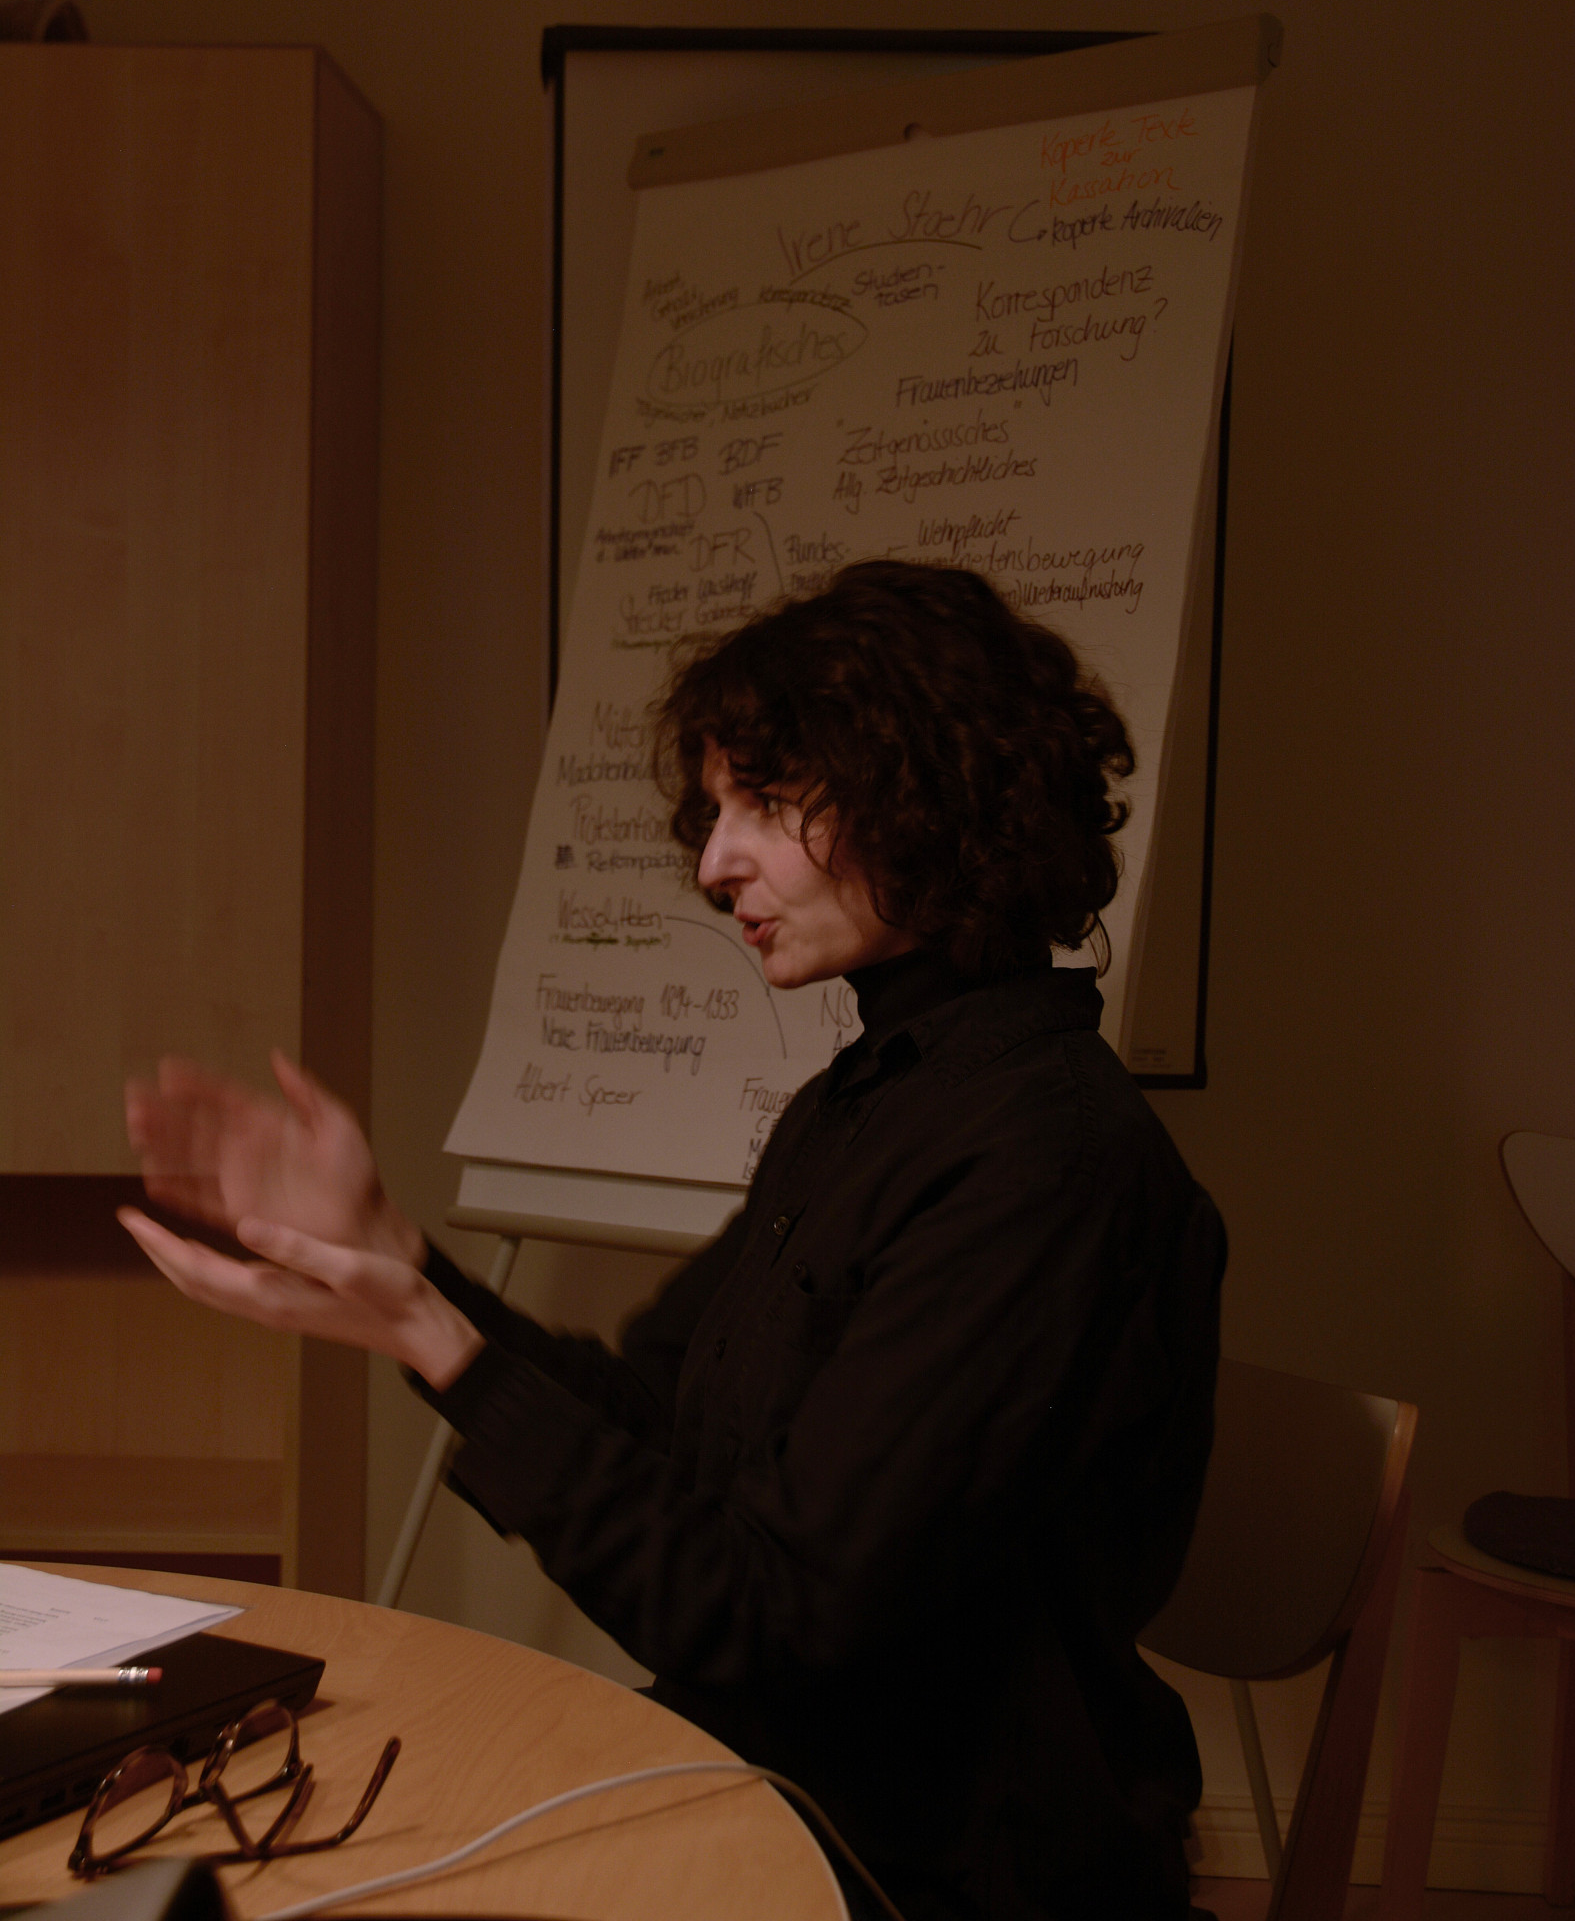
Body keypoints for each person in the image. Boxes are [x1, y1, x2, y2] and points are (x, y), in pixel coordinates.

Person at [121, 559, 1226, 1921]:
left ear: (925, 789)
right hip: (791, 1777)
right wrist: (403, 1263)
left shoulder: (1039, 1160)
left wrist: (434, 1338)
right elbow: (665, 1431)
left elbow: (771, 1620)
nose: (713, 865)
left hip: (942, 1866)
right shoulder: (866, 1103)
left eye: (764, 803)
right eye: (715, 812)